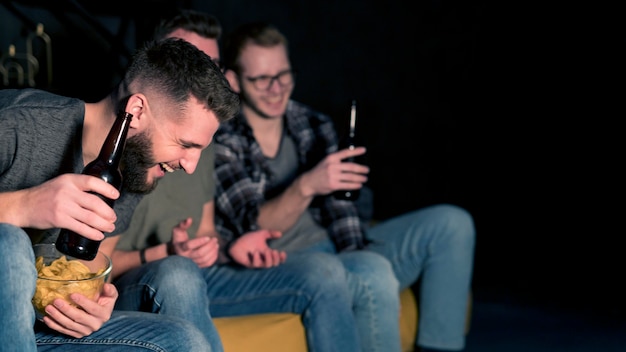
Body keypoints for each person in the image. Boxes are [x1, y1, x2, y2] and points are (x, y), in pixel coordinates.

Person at [214, 22, 476, 352]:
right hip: (291, 264)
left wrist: (362, 261)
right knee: (371, 272)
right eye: (262, 79)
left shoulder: (312, 123)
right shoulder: (223, 139)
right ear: (234, 80)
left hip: (336, 250)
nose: (276, 88)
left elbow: (343, 215)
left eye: (284, 75)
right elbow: (253, 228)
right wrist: (307, 185)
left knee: (451, 223)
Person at [110, 9, 362, 352]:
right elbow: (93, 265)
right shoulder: (130, 143)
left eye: (209, 65)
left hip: (201, 275)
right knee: (177, 273)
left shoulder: (204, 142)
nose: (199, 77)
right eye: (184, 59)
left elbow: (207, 233)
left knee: (324, 270)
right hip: (143, 279)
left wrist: (229, 249)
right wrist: (168, 251)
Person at [0, 37, 240, 351]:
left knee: (184, 340)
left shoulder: (133, 168)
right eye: (185, 144)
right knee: (10, 243)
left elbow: (87, 264)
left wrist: (95, 300)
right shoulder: (17, 122)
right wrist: (23, 205)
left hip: (41, 327)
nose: (191, 166)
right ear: (137, 110)